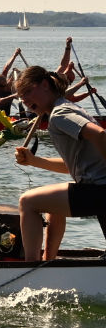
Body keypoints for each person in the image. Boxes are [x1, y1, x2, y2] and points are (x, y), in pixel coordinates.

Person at [14, 66, 106, 262]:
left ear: (45, 85)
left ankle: (30, 267)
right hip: (96, 189)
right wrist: (33, 161)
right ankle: (49, 261)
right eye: (21, 97)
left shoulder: (59, 114)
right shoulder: (68, 107)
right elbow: (70, 166)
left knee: (28, 202)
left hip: (99, 190)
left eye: (28, 92)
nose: (25, 101)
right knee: (51, 203)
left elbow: (100, 134)